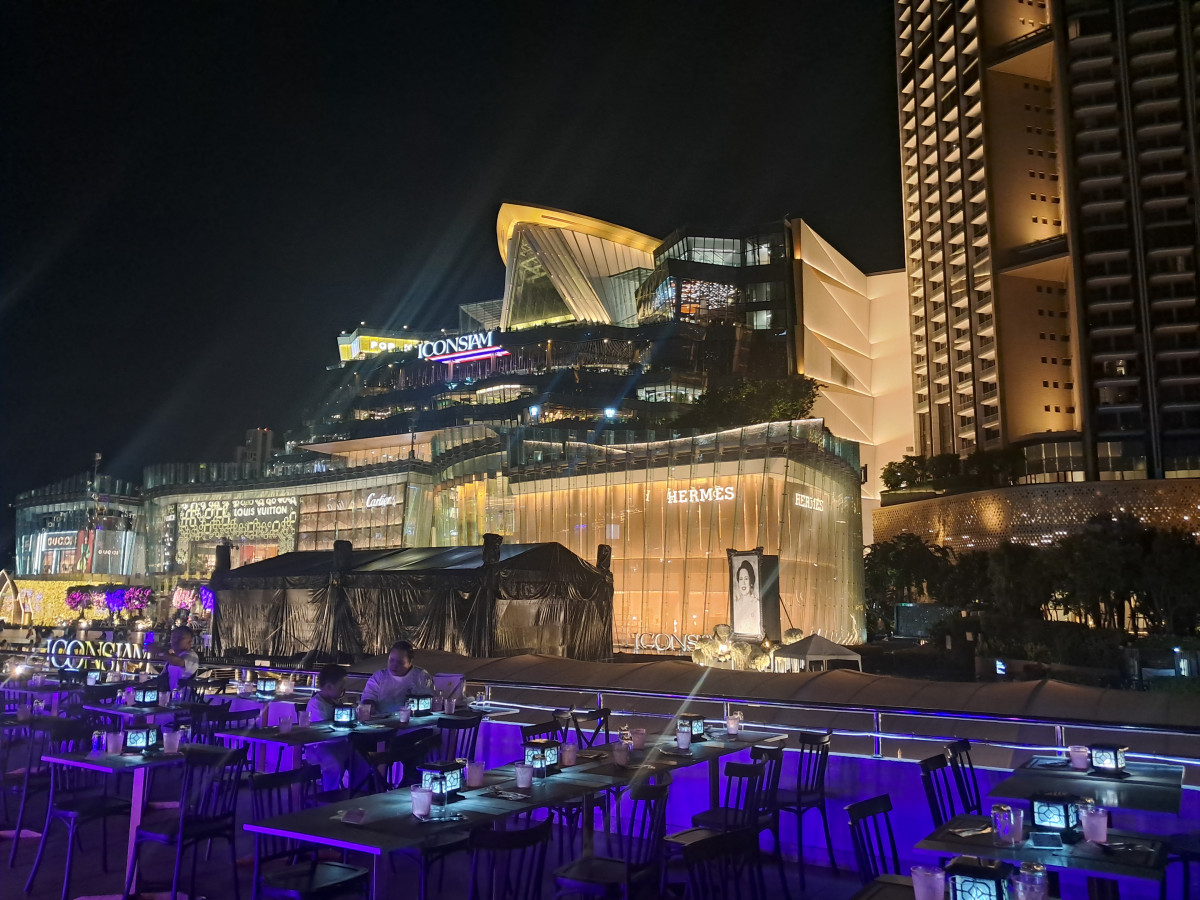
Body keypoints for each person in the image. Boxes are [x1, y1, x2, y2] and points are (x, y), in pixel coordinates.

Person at [305, 664, 366, 791]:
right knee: (334, 766)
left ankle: (357, 794)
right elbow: (323, 729)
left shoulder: (334, 702)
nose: (343, 691)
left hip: (338, 744)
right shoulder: (316, 704)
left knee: (362, 764)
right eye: (340, 687)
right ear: (328, 686)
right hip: (319, 746)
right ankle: (330, 795)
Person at [360, 640, 433, 715]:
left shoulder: (421, 676)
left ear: (410, 662)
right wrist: (369, 706)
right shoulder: (378, 677)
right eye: (391, 660)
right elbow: (368, 698)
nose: (394, 665)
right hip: (382, 719)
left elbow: (430, 701)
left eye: (400, 662)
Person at [158, 625, 200, 689]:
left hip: (182, 694)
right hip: (168, 693)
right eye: (173, 637)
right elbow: (162, 677)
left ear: (189, 641)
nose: (175, 641)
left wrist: (159, 652)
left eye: (180, 638)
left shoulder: (191, 656)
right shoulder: (173, 657)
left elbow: (179, 662)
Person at [733, 559, 762, 636]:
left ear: (751, 581)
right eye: (741, 579)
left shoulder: (756, 604)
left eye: (746, 579)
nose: (743, 583)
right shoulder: (735, 605)